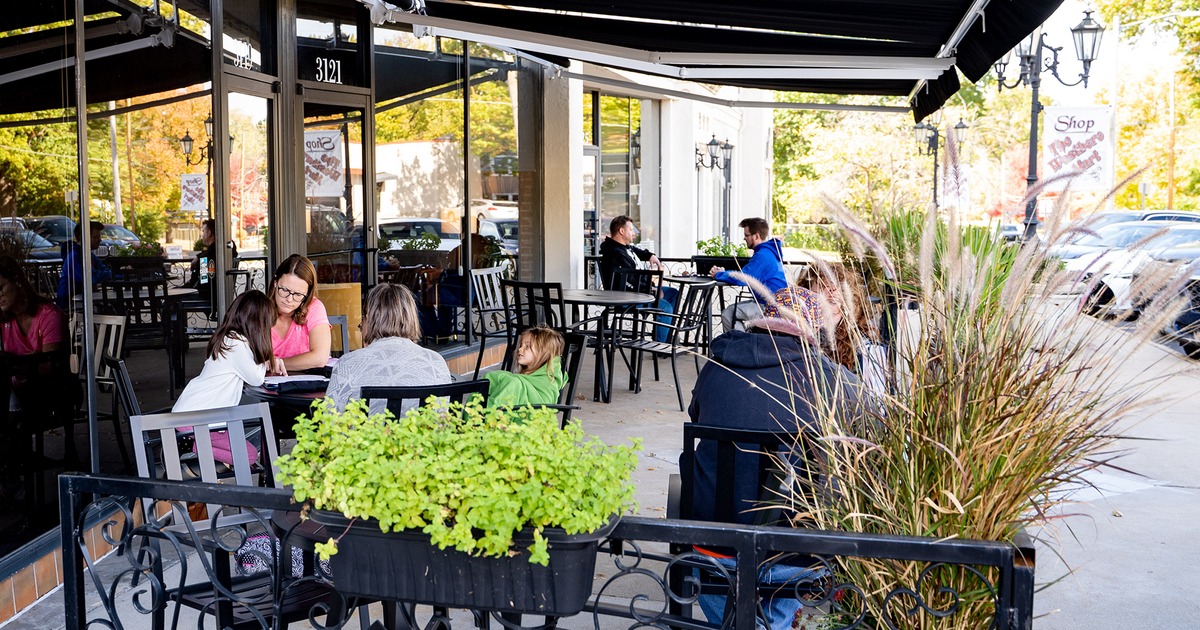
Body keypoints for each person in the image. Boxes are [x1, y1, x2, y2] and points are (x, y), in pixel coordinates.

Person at [687, 318, 868, 630]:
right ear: (815, 336)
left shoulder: (715, 367)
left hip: (715, 545)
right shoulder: (838, 381)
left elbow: (697, 414)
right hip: (799, 557)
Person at [173, 290, 285, 466]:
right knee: (248, 455)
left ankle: (196, 449)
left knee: (243, 451)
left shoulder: (230, 338)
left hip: (192, 413)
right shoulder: (237, 344)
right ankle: (195, 449)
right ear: (258, 325)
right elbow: (256, 379)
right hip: (199, 419)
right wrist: (267, 360)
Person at [326, 283, 451, 416]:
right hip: (423, 436)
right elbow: (442, 420)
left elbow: (329, 421)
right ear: (412, 319)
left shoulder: (348, 364)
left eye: (362, 322)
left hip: (365, 437)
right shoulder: (436, 361)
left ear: (368, 319)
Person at [791, 265, 886, 393]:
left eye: (832, 301)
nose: (821, 308)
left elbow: (875, 407)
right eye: (814, 299)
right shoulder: (790, 343)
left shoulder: (867, 355)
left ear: (848, 309)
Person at [599, 216, 677, 342]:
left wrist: (650, 255)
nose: (634, 233)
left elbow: (637, 251)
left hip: (640, 291)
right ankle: (660, 346)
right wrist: (651, 291)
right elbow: (626, 281)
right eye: (631, 229)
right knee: (665, 308)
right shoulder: (614, 253)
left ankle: (665, 337)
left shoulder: (625, 247)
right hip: (627, 296)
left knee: (673, 293)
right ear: (621, 231)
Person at [710, 217, 787, 332]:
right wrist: (723, 272)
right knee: (733, 313)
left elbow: (743, 278)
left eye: (746, 235)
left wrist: (719, 274)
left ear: (756, 236)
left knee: (728, 314)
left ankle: (739, 347)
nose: (744, 238)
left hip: (768, 306)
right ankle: (742, 343)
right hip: (774, 303)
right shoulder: (769, 252)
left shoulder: (762, 256)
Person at [269, 254, 332, 372]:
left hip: (309, 384)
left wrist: (276, 364)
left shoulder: (314, 307)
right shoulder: (260, 309)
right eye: (284, 290)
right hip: (265, 386)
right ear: (275, 282)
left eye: (298, 294)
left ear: (307, 294)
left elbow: (320, 357)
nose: (289, 299)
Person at [484, 325, 566, 408]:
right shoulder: (524, 379)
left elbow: (544, 403)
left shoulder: (548, 379)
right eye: (521, 345)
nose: (520, 349)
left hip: (534, 418)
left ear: (543, 352)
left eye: (527, 346)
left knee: (513, 383)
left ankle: (483, 416)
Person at [0, 256, 66, 356]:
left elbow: (49, 365)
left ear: (17, 280)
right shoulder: (4, 319)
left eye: (0, 288)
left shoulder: (49, 315)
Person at [56, 220, 112, 308]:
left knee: (114, 306)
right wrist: (112, 274)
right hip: (70, 303)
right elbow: (89, 277)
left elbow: (103, 269)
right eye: (95, 237)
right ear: (84, 238)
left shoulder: (87, 255)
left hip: (83, 298)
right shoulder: (74, 256)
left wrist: (115, 273)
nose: (100, 240)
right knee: (113, 307)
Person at [186, 219, 238, 305]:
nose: (201, 235)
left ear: (209, 233)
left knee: (171, 300)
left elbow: (203, 282)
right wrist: (199, 256)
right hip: (220, 295)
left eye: (203, 231)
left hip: (207, 298)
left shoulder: (206, 258)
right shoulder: (223, 252)